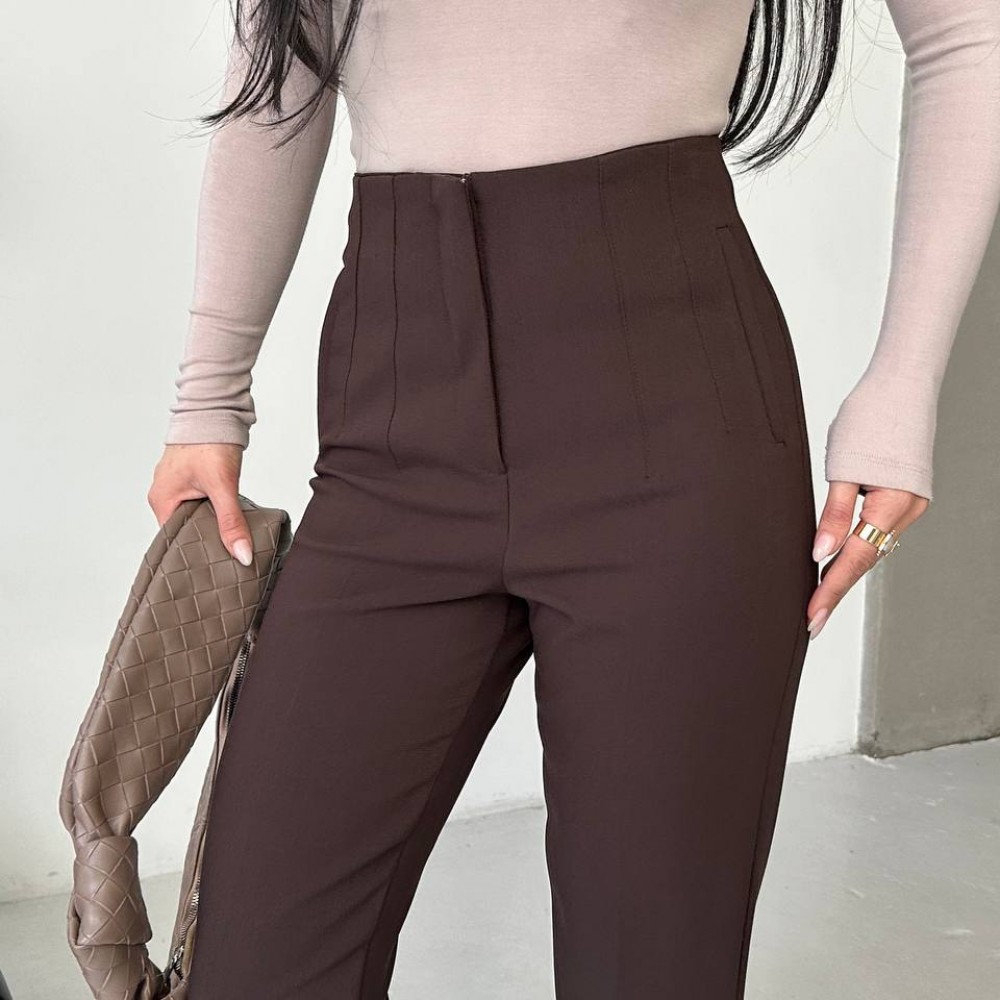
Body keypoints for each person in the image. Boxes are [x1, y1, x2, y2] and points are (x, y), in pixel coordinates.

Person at [146, 1, 1000, 997]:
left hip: (672, 413)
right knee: (256, 962)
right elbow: (279, 67)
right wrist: (209, 393)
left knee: (649, 967)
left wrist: (904, 382)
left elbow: (964, 31)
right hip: (393, 419)